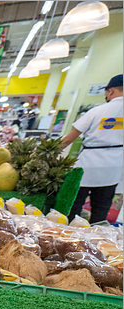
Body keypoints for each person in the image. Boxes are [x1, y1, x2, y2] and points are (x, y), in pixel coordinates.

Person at [61, 74, 123, 224]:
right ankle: (94, 242)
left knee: (73, 207)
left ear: (111, 91)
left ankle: (67, 239)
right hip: (113, 168)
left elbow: (69, 138)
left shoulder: (98, 111)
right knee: (101, 210)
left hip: (88, 165)